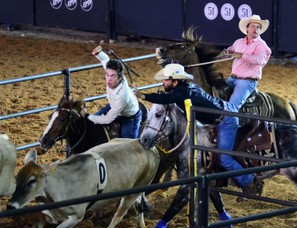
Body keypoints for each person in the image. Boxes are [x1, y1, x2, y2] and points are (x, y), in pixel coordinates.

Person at [134, 63, 263, 196]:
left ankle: (249, 182)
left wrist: (143, 96)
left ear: (175, 81)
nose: (163, 82)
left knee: (224, 158)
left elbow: (165, 98)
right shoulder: (186, 88)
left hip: (226, 121)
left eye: (166, 80)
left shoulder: (181, 93)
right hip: (222, 114)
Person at [83, 46, 142, 138]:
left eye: (113, 76)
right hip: (113, 106)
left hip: (130, 117)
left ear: (120, 77)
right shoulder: (113, 74)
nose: (109, 79)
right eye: (107, 75)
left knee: (127, 144)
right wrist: (99, 53)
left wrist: (88, 116)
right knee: (90, 124)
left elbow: (108, 119)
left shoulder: (123, 94)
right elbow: (105, 60)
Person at [220, 14, 272, 110]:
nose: (255, 29)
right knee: (215, 95)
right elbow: (230, 51)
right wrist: (226, 53)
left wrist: (241, 55)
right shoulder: (238, 42)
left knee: (232, 107)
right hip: (232, 78)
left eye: (258, 27)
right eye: (253, 26)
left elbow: (259, 60)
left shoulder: (261, 45)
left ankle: (229, 125)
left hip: (247, 82)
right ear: (247, 29)